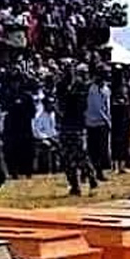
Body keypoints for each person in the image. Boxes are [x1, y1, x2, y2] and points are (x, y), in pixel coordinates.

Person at [57, 64, 98, 196]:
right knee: (67, 159)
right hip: (65, 125)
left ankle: (91, 178)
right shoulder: (61, 86)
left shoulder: (81, 87)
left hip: (78, 125)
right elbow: (60, 104)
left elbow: (82, 105)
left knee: (81, 155)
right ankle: (74, 185)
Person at [84, 68, 111, 182]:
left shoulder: (106, 89)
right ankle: (88, 173)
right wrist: (107, 120)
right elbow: (96, 107)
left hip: (102, 123)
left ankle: (99, 172)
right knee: (92, 150)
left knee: (102, 149)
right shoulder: (91, 89)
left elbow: (107, 106)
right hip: (93, 122)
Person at [109, 68, 130, 175]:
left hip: (125, 116)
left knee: (125, 142)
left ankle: (123, 165)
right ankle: (115, 165)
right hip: (115, 117)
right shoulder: (111, 87)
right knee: (115, 142)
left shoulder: (126, 86)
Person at [32, 96, 60, 174]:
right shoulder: (39, 116)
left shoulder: (53, 114)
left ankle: (58, 168)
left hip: (54, 137)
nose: (51, 105)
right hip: (42, 139)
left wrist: (55, 136)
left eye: (52, 103)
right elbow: (37, 131)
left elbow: (54, 128)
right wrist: (48, 138)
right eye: (49, 104)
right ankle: (46, 169)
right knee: (46, 146)